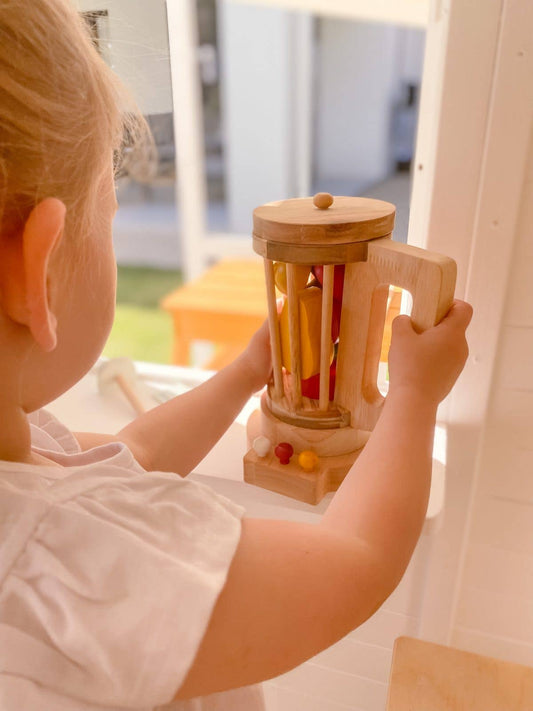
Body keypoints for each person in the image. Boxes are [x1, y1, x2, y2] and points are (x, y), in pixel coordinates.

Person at [0, 1, 473, 710]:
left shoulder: (23, 444)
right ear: (34, 272)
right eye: (110, 213)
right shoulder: (65, 561)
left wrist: (250, 369)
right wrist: (413, 398)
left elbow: (129, 456)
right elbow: (355, 562)